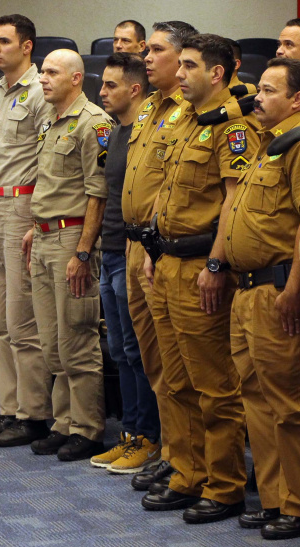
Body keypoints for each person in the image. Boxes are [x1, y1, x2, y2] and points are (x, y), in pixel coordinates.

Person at [139, 33, 258, 524]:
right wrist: (153, 251)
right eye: (179, 64)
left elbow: (235, 201)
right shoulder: (182, 118)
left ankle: (225, 485)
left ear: (217, 72)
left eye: (189, 65)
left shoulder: (233, 126)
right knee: (176, 380)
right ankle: (188, 475)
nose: (179, 73)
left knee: (214, 384)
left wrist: (216, 263)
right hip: (166, 262)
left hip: (200, 269)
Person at [225, 57, 300, 540]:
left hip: (278, 288)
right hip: (248, 289)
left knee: (291, 401)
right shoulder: (267, 144)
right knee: (255, 400)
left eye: (268, 90)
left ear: (298, 99)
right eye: (258, 89)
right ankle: (274, 498)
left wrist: (293, 288)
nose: (257, 98)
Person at [120, 20, 197, 494]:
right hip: (135, 246)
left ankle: (188, 458)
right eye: (145, 51)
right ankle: (173, 452)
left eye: (158, 51)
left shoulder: (194, 112)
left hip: (165, 249)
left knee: (179, 365)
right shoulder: (150, 107)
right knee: (153, 359)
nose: (147, 59)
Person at [25, 49, 112, 462]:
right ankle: (64, 422)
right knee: (51, 343)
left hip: (71, 240)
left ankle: (88, 429)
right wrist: (32, 228)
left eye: (51, 72)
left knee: (77, 338)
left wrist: (83, 251)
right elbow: (48, 184)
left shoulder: (93, 123)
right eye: (42, 71)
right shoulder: (49, 120)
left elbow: (97, 193)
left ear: (76, 78)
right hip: (43, 237)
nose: (43, 78)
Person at [0, 14, 54, 448]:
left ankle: (34, 413)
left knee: (23, 321)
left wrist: (37, 216)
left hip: (22, 205)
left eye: (4, 41)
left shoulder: (41, 92)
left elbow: (47, 161)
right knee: (0, 321)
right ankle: (10, 409)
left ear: (27, 47)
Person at [89, 52, 161, 473]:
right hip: (111, 251)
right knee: (119, 350)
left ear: (135, 89)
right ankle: (130, 432)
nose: (101, 92)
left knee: (138, 352)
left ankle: (148, 437)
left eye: (110, 85)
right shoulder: (116, 133)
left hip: (134, 253)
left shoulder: (148, 132)